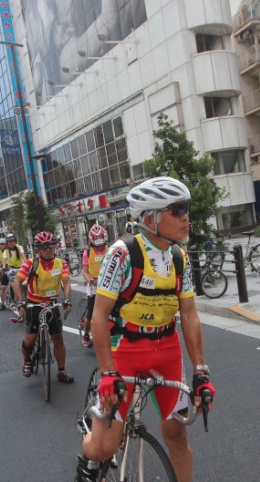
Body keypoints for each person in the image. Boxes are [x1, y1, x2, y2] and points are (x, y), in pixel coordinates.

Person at [75, 177, 216, 482]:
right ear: (150, 218)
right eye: (177, 209)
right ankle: (88, 454)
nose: (185, 216)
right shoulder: (122, 253)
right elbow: (99, 317)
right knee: (103, 447)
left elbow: (189, 316)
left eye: (186, 208)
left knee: (176, 435)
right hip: (124, 348)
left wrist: (201, 372)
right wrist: (108, 372)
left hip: (166, 350)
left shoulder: (179, 258)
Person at [13, 231, 74, 383]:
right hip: (34, 304)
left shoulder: (61, 263)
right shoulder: (31, 263)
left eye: (51, 246)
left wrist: (66, 298)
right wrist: (20, 301)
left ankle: (62, 371)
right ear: (38, 249)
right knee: (29, 340)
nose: (49, 249)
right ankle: (27, 360)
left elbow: (66, 282)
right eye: (44, 246)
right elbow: (17, 282)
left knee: (58, 339)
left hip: (51, 304)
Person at [80, 224, 109, 348]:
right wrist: (90, 280)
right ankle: (86, 334)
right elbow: (84, 271)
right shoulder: (87, 252)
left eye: (102, 244)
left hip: (108, 283)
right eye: (97, 245)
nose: (100, 247)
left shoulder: (111, 249)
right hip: (94, 285)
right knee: (91, 313)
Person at [0, 233, 25, 311]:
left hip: (20, 269)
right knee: (3, 287)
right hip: (10, 270)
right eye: (10, 242)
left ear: (15, 241)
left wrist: (26, 264)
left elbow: (24, 257)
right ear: (7, 243)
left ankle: (23, 299)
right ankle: (3, 303)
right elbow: (4, 261)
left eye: (13, 241)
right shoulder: (6, 251)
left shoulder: (19, 247)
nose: (11, 243)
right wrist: (4, 267)